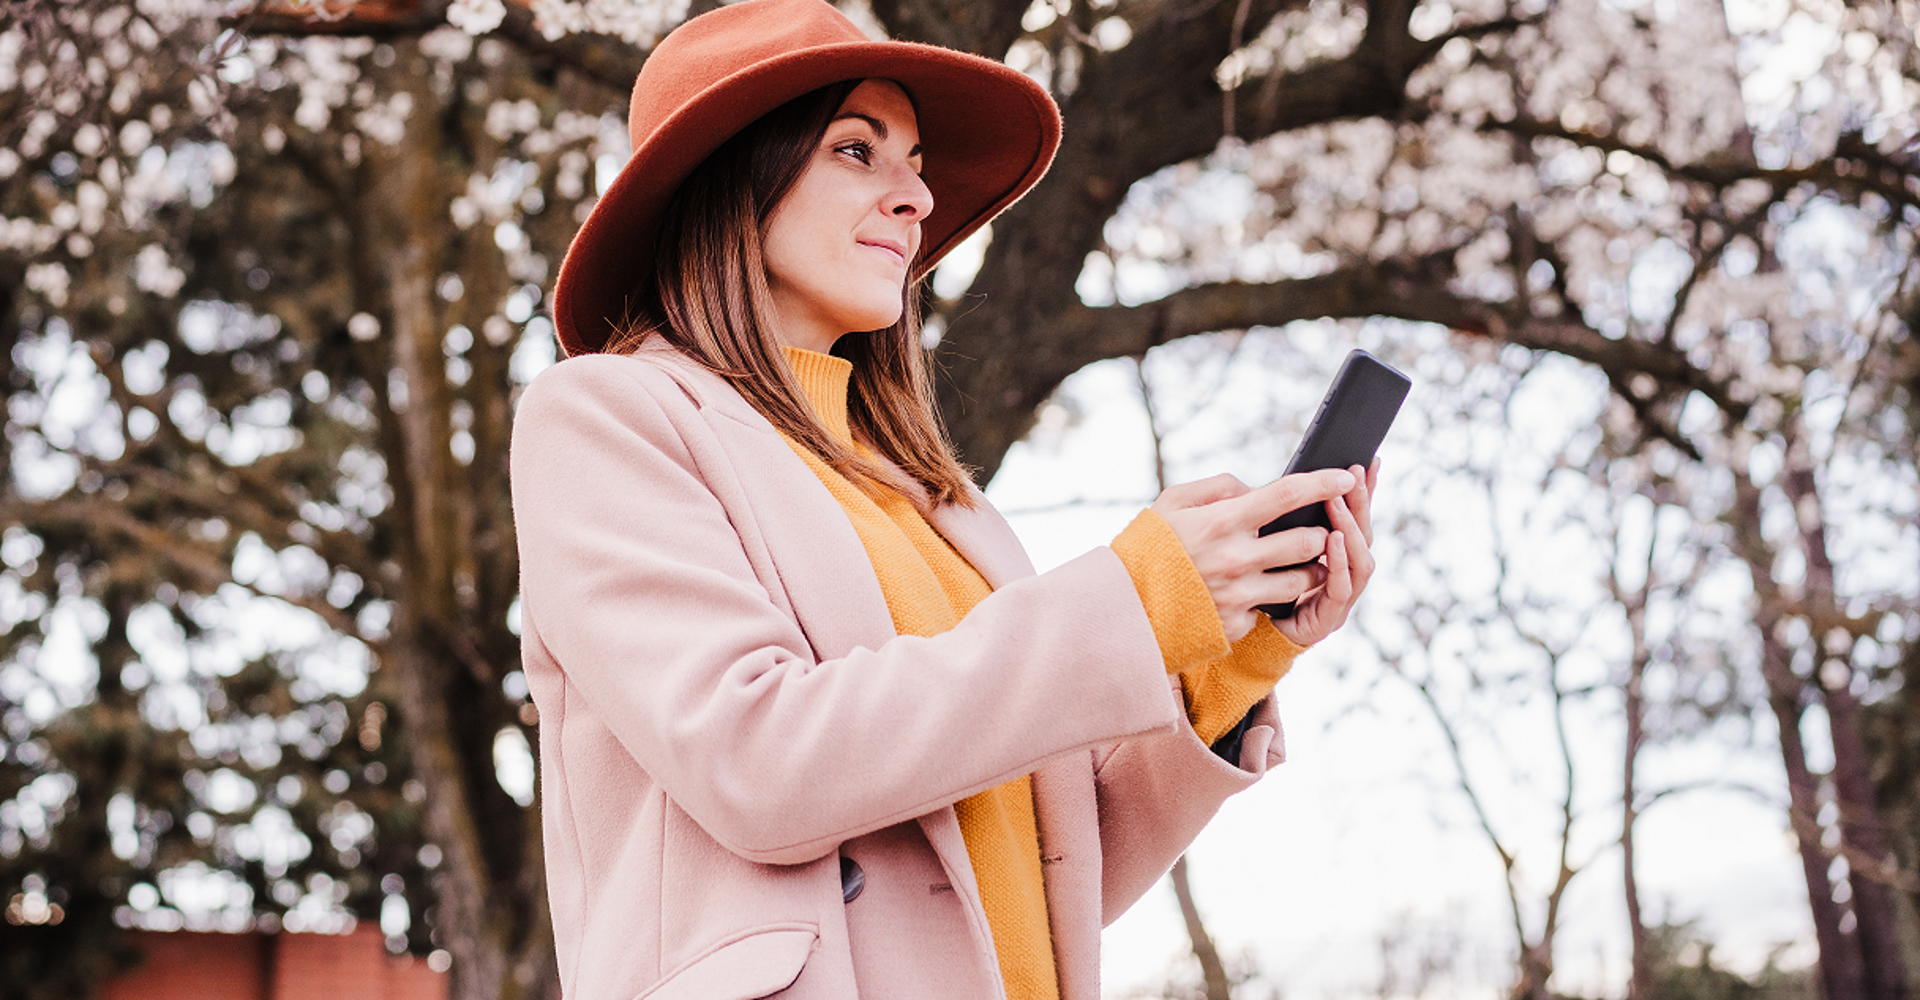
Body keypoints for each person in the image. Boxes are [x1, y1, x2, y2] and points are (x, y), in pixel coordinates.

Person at [508, 2, 1378, 998]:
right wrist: (1136, 597)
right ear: (731, 179)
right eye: (857, 149)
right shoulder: (608, 417)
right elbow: (755, 759)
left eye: (915, 160)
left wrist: (1226, 654)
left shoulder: (939, 502)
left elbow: (1049, 868)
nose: (916, 195)